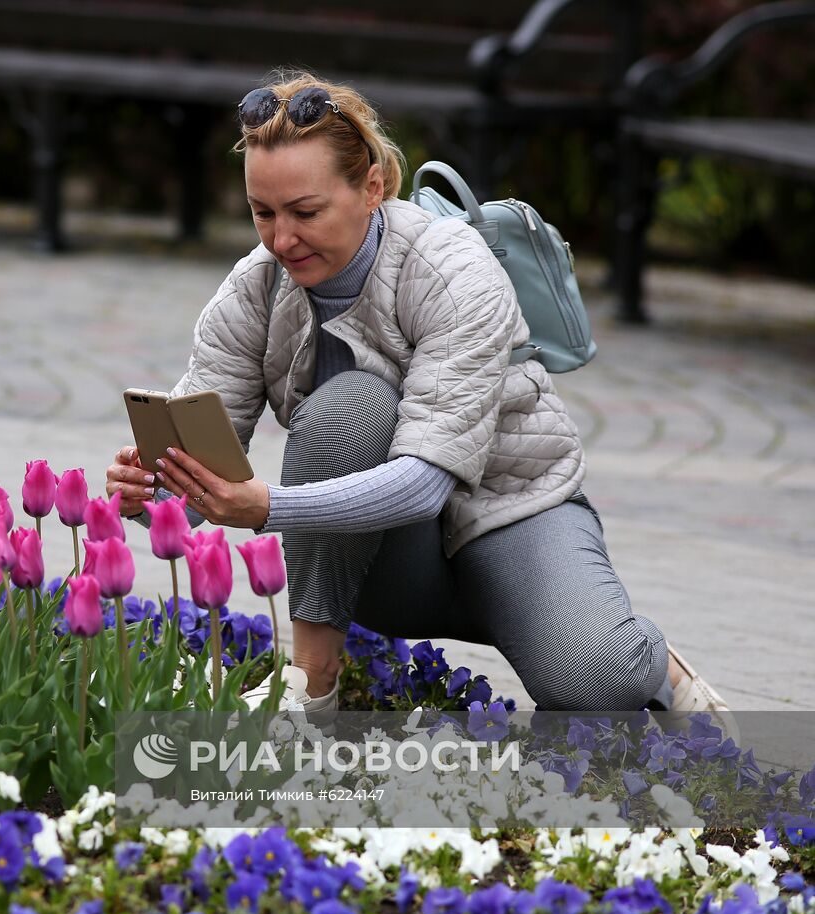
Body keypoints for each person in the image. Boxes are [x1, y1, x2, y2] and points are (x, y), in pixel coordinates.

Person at [104, 71, 730, 715]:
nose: (281, 239)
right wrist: (156, 490)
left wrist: (266, 507)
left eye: (306, 213)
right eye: (263, 212)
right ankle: (311, 684)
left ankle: (641, 657)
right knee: (350, 409)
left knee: (596, 681)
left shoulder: (453, 271)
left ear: (372, 187)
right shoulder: (256, 289)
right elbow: (205, 480)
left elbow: (427, 483)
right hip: (385, 556)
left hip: (513, 513)